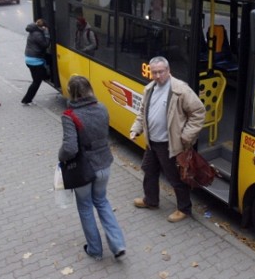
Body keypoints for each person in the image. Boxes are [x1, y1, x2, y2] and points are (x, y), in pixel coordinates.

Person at [130, 56, 206, 223]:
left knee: (175, 178)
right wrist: (136, 129)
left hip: (169, 145)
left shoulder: (181, 90)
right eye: (154, 72)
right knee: (148, 171)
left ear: (168, 71)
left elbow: (198, 113)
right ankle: (150, 200)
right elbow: (142, 113)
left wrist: (185, 137)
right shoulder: (149, 88)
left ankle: (184, 209)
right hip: (152, 143)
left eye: (161, 72)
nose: (157, 76)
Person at [58, 75, 126, 261]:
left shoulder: (69, 116)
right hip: (105, 164)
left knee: (86, 207)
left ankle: (95, 250)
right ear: (89, 89)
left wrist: (60, 157)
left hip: (84, 170)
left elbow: (70, 148)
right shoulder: (102, 108)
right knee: (102, 202)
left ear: (71, 93)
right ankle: (118, 244)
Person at [21, 19, 50, 105]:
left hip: (29, 59)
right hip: (35, 61)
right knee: (36, 82)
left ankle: (27, 99)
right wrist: (47, 33)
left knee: (37, 79)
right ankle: (26, 100)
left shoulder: (33, 31)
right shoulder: (37, 34)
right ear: (42, 27)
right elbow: (45, 44)